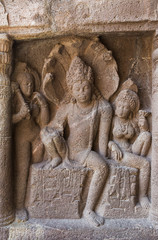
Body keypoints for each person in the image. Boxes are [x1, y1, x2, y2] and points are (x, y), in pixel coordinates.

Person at [41, 56, 112, 227]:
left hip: (84, 152)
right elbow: (53, 127)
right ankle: (56, 159)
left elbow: (102, 143)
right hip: (65, 149)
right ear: (71, 90)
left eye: (85, 87)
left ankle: (89, 209)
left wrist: (106, 152)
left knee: (102, 166)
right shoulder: (67, 108)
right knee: (46, 134)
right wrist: (51, 134)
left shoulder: (102, 108)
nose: (82, 91)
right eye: (77, 88)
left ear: (92, 85)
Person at [12, 63, 49, 221]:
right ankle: (20, 205)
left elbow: (44, 121)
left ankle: (39, 199)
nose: (29, 86)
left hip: (36, 135)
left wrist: (43, 104)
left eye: (31, 83)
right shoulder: (14, 100)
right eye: (26, 84)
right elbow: (5, 120)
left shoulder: (33, 99)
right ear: (18, 85)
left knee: (40, 162)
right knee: (23, 170)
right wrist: (20, 115)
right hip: (22, 138)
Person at [108, 89, 151, 208]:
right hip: (118, 153)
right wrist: (113, 146)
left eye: (125, 107)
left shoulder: (132, 122)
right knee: (145, 164)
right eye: (120, 106)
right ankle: (142, 196)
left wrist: (144, 126)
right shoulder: (113, 120)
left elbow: (139, 137)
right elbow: (104, 140)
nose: (121, 110)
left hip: (130, 150)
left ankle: (137, 165)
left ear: (130, 110)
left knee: (146, 135)